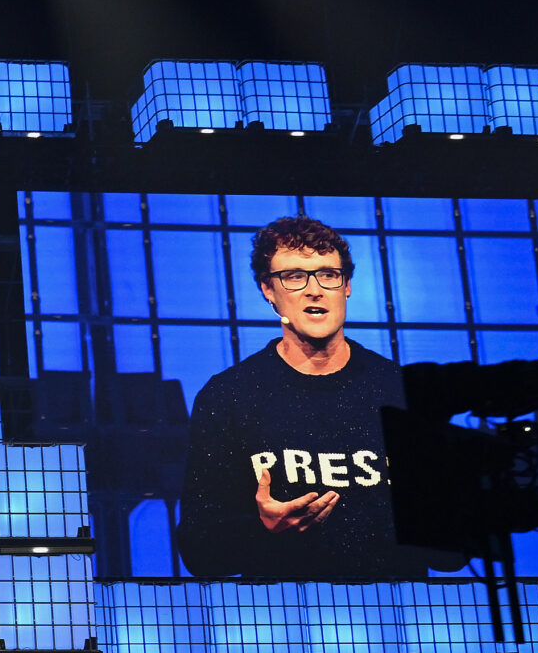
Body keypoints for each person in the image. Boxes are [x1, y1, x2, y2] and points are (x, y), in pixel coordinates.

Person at [174, 215, 466, 579]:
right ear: (268, 290)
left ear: (347, 287)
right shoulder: (228, 397)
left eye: (328, 274)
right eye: (295, 276)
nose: (315, 290)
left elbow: (451, 556)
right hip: (282, 609)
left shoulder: (403, 391)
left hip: (396, 607)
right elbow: (198, 551)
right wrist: (262, 529)